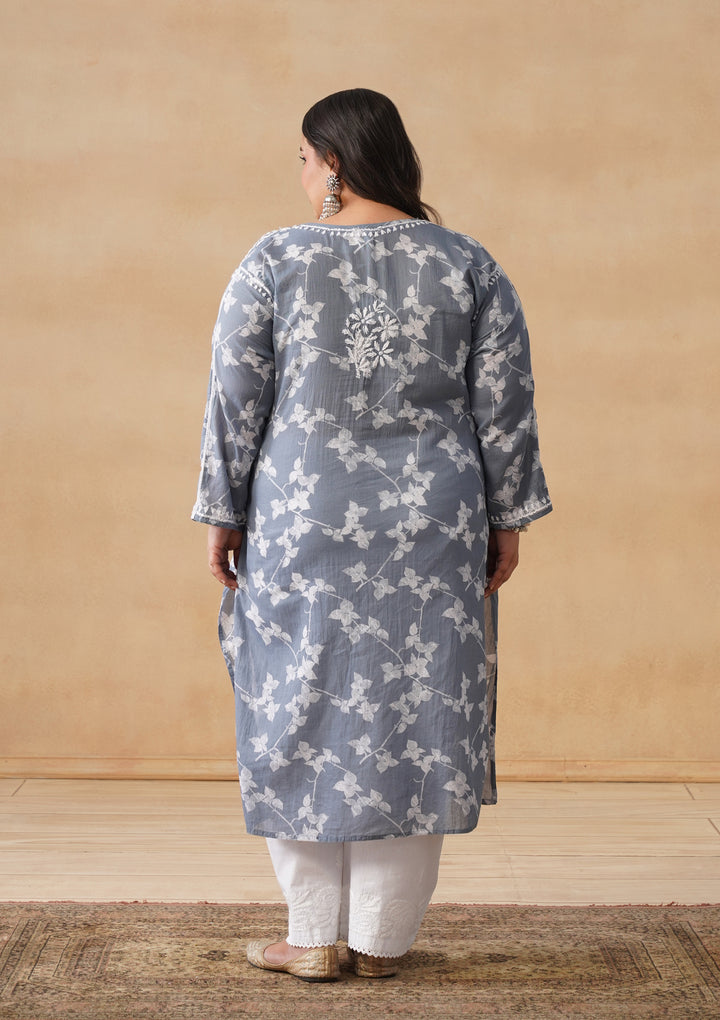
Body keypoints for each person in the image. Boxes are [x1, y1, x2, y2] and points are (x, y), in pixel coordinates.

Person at [192, 88, 552, 982]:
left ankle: (313, 936)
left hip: (303, 518)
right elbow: (504, 405)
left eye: (303, 158)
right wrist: (507, 518)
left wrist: (222, 510)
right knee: (417, 712)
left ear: (334, 165)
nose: (301, 174)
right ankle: (384, 942)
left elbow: (235, 398)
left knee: (297, 705)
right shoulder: (467, 263)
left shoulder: (275, 261)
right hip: (435, 525)